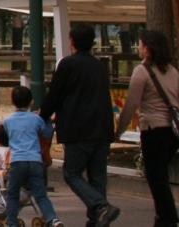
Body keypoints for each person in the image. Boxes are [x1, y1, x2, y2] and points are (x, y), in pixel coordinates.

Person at [41, 23, 120, 226]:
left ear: (72, 42)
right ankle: (98, 219)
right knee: (98, 176)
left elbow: (55, 95)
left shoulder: (68, 64)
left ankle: (101, 207)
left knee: (72, 173)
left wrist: (42, 116)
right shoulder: (99, 66)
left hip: (78, 129)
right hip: (102, 128)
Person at [116, 29, 178, 227]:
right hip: (172, 131)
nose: (139, 47)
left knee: (156, 178)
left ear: (148, 48)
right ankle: (163, 217)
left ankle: (168, 218)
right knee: (161, 175)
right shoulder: (172, 71)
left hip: (153, 129)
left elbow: (131, 105)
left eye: (141, 44)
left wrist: (119, 131)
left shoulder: (141, 71)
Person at [3, 86, 63, 227]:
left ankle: (12, 223)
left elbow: (9, 135)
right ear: (31, 101)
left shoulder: (7, 120)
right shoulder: (36, 119)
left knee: (12, 195)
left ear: (12, 102)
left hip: (17, 161)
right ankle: (52, 219)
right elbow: (46, 133)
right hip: (35, 161)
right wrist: (47, 120)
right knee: (41, 195)